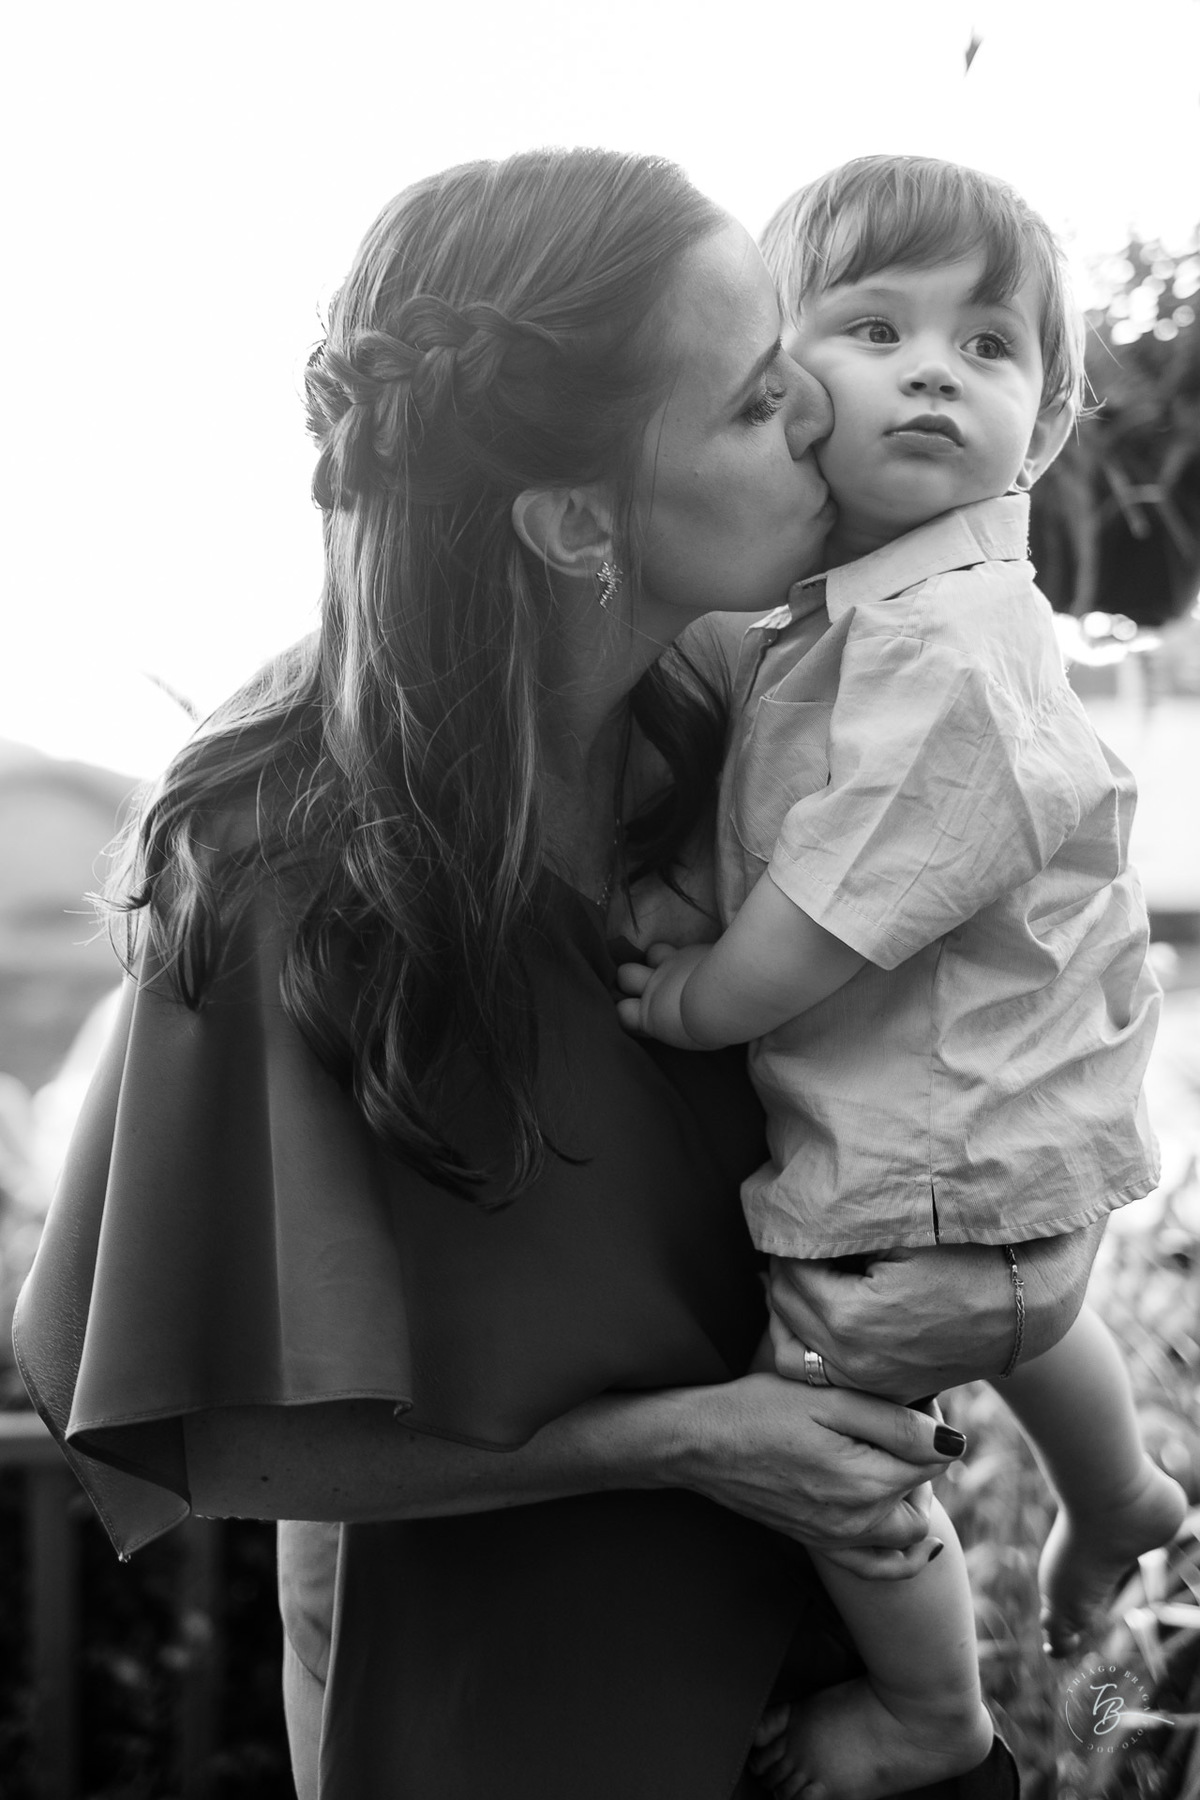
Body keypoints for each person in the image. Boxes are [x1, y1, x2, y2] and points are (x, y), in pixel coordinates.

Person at [15, 148, 1100, 1800]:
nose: (819, 413)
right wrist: (682, 1441)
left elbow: (1016, 1033)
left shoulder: (776, 711)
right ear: (576, 520)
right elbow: (223, 1435)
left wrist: (1041, 1267)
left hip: (845, 1695)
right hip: (520, 1718)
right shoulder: (281, 858)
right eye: (753, 403)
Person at [618, 155, 1186, 1800]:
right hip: (1015, 1178)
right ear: (784, 390)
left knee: (836, 1439)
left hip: (912, 1198)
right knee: (1022, 1307)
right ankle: (1122, 1487)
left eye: (991, 347)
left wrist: (698, 994)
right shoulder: (865, 619)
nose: (939, 366)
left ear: (1050, 424)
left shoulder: (945, 633)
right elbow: (796, 820)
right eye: (877, 326)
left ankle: (933, 1709)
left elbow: (847, 900)